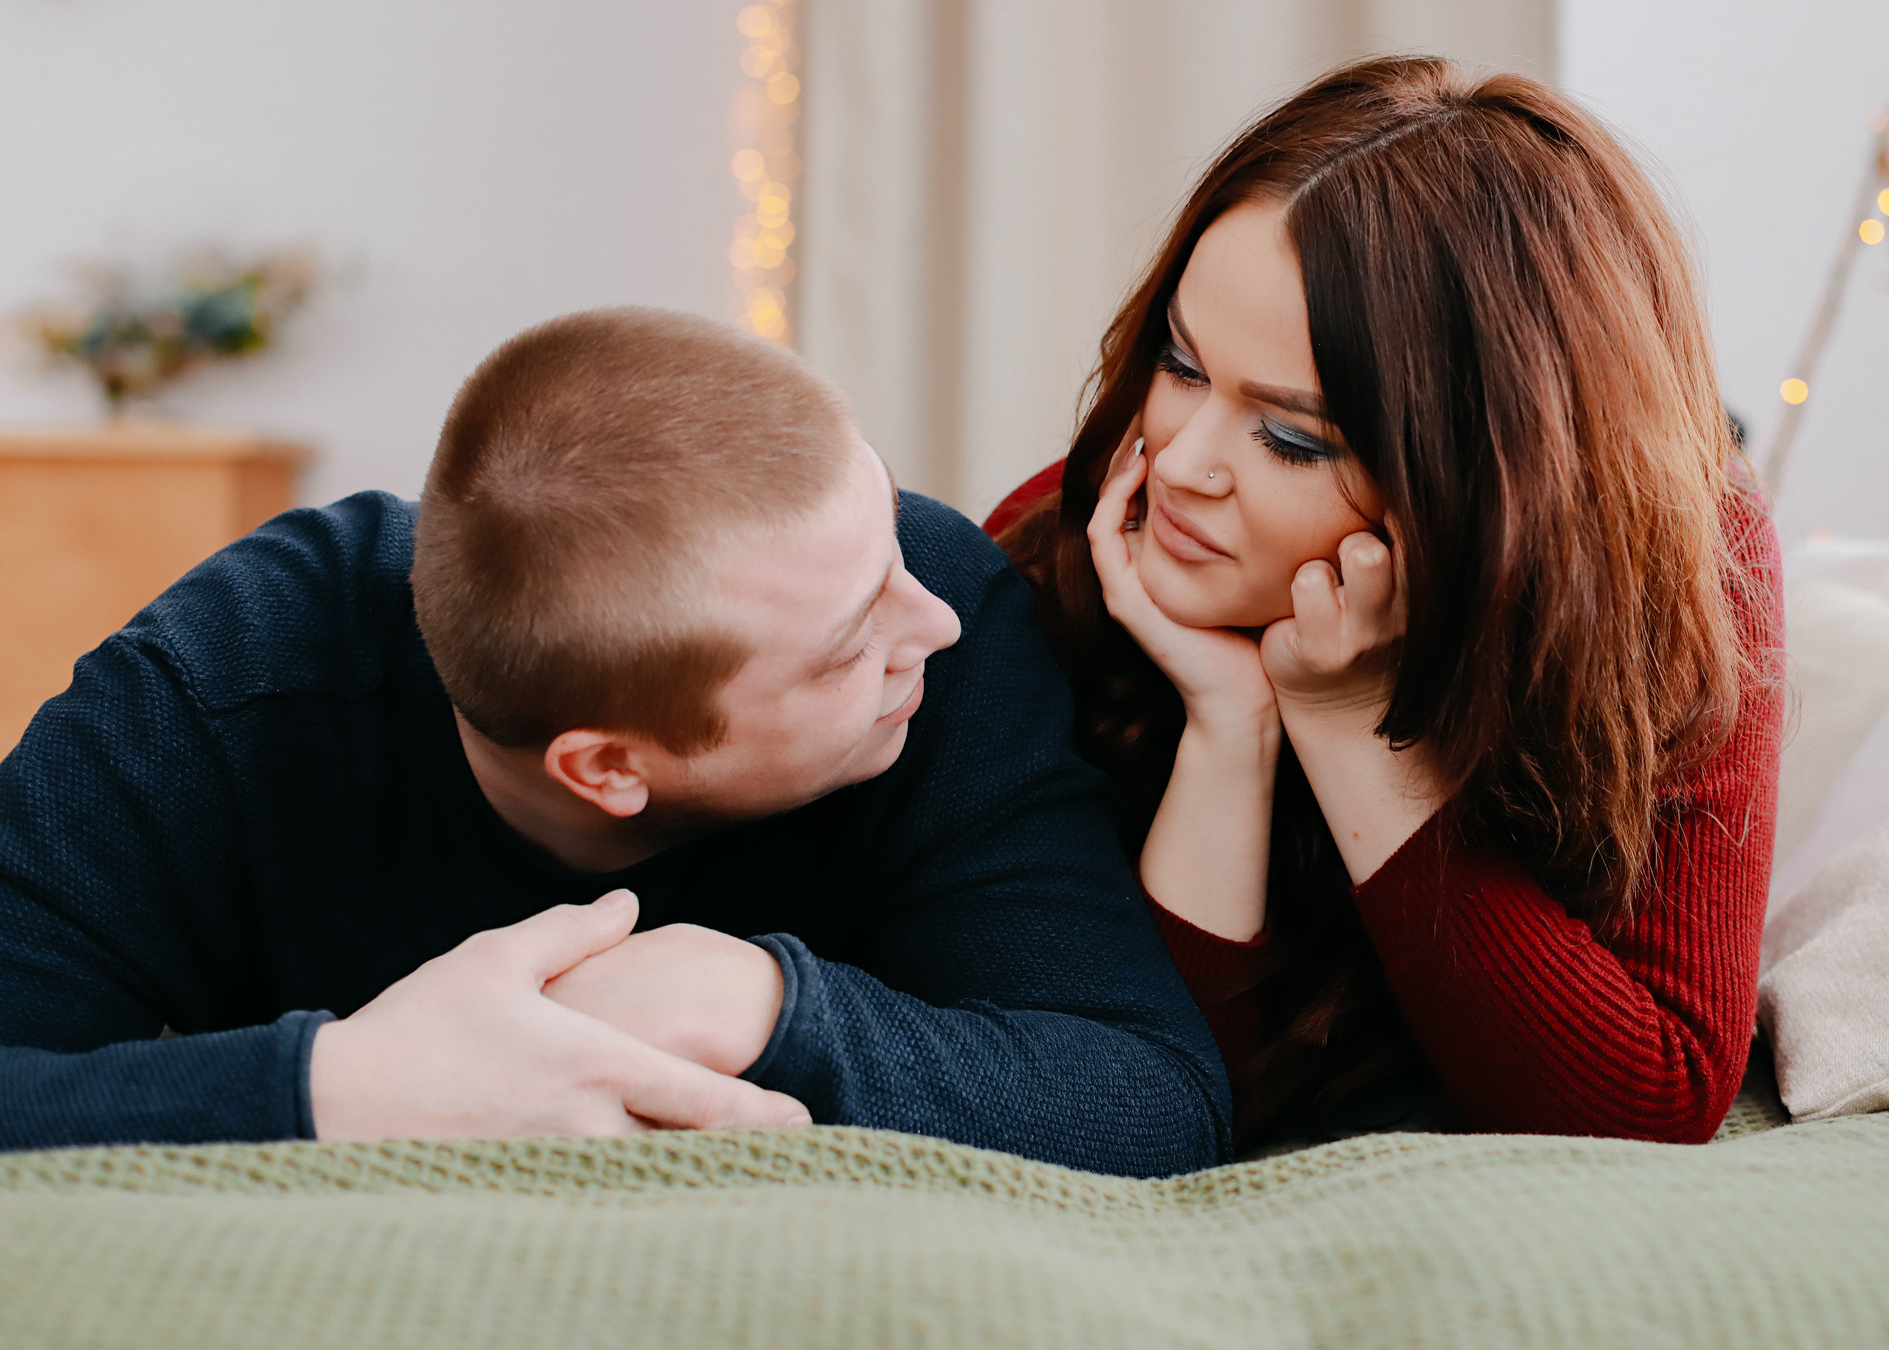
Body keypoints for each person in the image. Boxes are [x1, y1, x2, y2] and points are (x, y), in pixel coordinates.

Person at [0, 308, 1230, 1176]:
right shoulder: (230, 680)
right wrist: (345, 1088)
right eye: (852, 641)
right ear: (607, 767)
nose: (940, 619)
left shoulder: (934, 615)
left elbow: (1147, 1096)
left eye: (893, 544)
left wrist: (752, 1002)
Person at [987, 57, 1783, 1149]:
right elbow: (1139, 1095)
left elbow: (1653, 1100)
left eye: (1290, 436)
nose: (1181, 466)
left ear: (1481, 483)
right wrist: (1231, 729)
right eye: (1181, 363)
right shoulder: (1074, 538)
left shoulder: (1687, 570)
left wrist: (1345, 722)